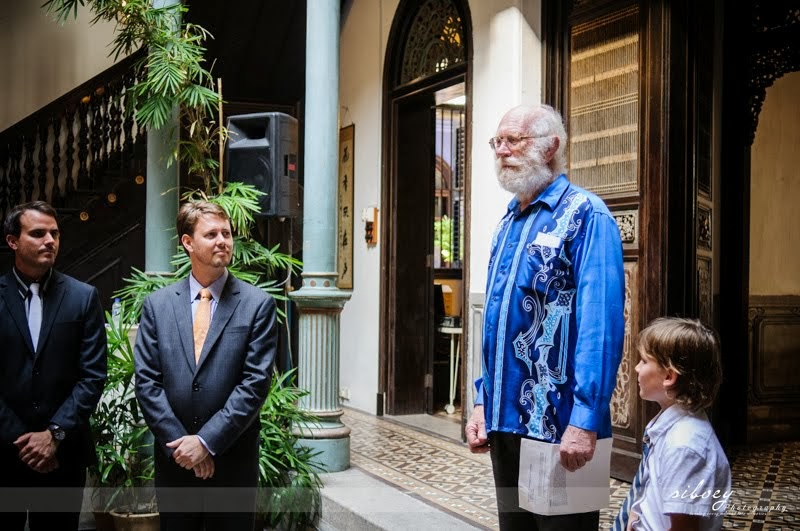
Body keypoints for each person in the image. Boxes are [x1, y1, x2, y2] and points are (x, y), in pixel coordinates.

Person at [465, 104, 625, 530]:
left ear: (550, 146)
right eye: (496, 142)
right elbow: (496, 325)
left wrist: (585, 421)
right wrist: (482, 402)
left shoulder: (587, 215)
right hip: (505, 424)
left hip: (561, 426)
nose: (501, 151)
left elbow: (600, 328)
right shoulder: (509, 221)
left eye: (512, 140)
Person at [134, 200, 277, 531]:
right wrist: (183, 446)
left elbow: (254, 385)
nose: (223, 241)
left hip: (232, 462)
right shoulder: (158, 306)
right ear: (188, 242)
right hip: (175, 462)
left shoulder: (257, 305)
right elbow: (147, 383)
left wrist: (206, 442)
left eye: (226, 233)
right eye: (211, 234)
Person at [0, 201, 108, 530]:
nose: (50, 240)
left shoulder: (83, 297)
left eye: (55, 233)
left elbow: (92, 376)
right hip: (4, 454)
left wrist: (53, 435)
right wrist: (22, 441)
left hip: (63, 454)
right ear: (12, 241)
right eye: (38, 233)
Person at [616, 317, 731, 531]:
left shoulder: (685, 446)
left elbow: (684, 527)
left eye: (643, 361)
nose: (636, 368)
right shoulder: (669, 426)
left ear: (669, 376)